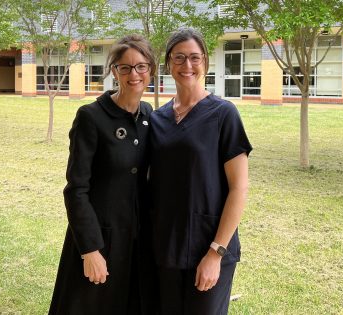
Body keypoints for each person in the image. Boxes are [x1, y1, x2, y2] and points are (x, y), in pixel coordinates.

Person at [49, 34, 157, 315]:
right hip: (99, 242)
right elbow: (76, 189)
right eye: (125, 67)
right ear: (114, 72)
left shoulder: (148, 115)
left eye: (141, 66)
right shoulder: (91, 117)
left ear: (151, 70)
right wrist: (90, 250)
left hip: (135, 244)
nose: (134, 74)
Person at [148, 28, 252, 315]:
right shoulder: (157, 119)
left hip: (209, 247)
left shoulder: (223, 114)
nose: (187, 66)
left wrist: (215, 253)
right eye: (179, 58)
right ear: (168, 63)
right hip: (166, 247)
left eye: (195, 57)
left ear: (205, 61)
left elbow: (239, 188)